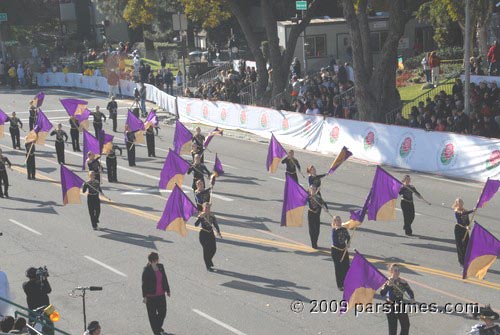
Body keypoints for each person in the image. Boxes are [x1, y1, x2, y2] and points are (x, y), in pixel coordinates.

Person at [380, 263, 415, 335]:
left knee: (406, 325)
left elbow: (410, 291)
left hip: (400, 305)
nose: (397, 272)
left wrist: (412, 298)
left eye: (399, 270)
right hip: (390, 306)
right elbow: (382, 293)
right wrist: (388, 286)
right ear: (391, 271)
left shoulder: (403, 282)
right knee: (393, 329)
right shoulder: (387, 282)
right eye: (395, 270)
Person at [142, 252, 171, 335]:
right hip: (151, 297)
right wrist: (144, 296)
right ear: (151, 261)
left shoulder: (161, 267)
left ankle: (157, 328)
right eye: (154, 260)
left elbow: (164, 278)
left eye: (156, 260)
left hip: (161, 295)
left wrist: (168, 290)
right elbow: (144, 284)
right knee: (152, 316)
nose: (156, 262)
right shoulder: (146, 270)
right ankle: (156, 332)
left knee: (163, 312)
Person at [194, 203, 222, 271]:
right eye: (206, 207)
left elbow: (216, 225)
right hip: (203, 234)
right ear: (203, 208)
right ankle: (208, 266)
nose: (207, 209)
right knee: (206, 250)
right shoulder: (201, 216)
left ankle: (209, 260)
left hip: (210, 233)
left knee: (213, 249)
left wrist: (218, 231)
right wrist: (199, 218)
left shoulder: (212, 216)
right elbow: (195, 225)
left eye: (208, 207)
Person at [452, 198, 474, 267]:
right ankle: (462, 262)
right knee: (460, 246)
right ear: (457, 203)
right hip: (459, 229)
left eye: (461, 201)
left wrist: (468, 225)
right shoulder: (456, 211)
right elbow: (461, 216)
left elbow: (466, 219)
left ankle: (466, 260)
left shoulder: (465, 210)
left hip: (465, 229)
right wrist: (472, 210)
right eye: (459, 202)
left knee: (467, 245)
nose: (461, 203)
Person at [331, 216, 350, 291]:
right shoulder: (334, 230)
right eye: (337, 220)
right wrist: (337, 229)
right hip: (336, 251)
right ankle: (340, 285)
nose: (338, 221)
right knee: (338, 268)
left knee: (346, 267)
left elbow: (348, 237)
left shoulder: (344, 229)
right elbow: (336, 241)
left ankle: (347, 283)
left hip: (344, 250)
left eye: (339, 220)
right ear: (334, 222)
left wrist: (348, 243)